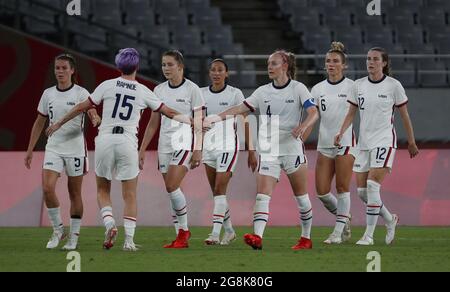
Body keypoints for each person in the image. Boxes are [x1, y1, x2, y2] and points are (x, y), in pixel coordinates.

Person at [46, 48, 187, 251]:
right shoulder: (142, 90)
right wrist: (191, 121)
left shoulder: (107, 85)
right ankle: (129, 241)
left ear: (118, 65)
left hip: (105, 139)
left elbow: (81, 107)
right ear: (137, 66)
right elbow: (168, 112)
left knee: (103, 189)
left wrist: (58, 123)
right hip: (128, 142)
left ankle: (110, 223)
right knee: (129, 194)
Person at [204, 50, 319, 250]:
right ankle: (257, 237)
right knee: (262, 195)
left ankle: (306, 238)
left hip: (292, 148)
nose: (269, 67)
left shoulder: (298, 88)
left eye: (273, 63)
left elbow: (314, 112)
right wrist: (216, 117)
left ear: (284, 65)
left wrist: (304, 125)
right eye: (268, 63)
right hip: (268, 149)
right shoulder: (262, 92)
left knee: (301, 197)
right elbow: (239, 108)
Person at [335, 47, 419, 246]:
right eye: (368, 59)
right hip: (364, 144)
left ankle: (369, 236)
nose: (370, 62)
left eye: (375, 59)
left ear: (384, 63)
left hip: (384, 141)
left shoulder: (393, 86)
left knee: (373, 187)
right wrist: (341, 132)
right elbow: (351, 114)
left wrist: (412, 141)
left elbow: (404, 115)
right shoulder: (358, 85)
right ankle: (390, 219)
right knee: (363, 193)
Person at [25, 53, 101, 250]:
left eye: (64, 68)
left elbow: (92, 111)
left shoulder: (81, 93)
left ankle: (73, 237)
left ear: (72, 70)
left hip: (75, 149)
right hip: (54, 148)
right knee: (48, 188)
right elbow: (40, 120)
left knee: (74, 193)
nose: (60, 71)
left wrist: (94, 118)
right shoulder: (48, 94)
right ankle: (58, 229)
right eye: (57, 68)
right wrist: (30, 148)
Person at [139, 50, 204, 249]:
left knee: (171, 185)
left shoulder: (193, 90)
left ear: (180, 67)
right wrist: (142, 149)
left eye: (169, 64)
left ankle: (184, 231)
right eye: (163, 65)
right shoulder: (158, 90)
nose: (166, 68)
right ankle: (180, 236)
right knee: (172, 190)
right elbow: (153, 123)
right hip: (164, 144)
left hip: (184, 141)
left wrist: (198, 148)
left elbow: (199, 121)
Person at [201, 59, 258, 246]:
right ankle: (230, 231)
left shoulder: (235, 94)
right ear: (209, 73)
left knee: (219, 189)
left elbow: (246, 121)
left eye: (220, 70)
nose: (216, 73)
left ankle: (215, 234)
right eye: (213, 70)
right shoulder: (201, 94)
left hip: (228, 147)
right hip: (208, 148)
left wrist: (251, 150)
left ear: (226, 74)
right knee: (217, 193)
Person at [311, 42, 356, 244]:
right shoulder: (318, 88)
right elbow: (313, 116)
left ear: (344, 65)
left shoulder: (353, 87)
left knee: (342, 187)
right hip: (324, 142)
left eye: (336, 61)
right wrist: (303, 132)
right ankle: (344, 217)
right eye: (328, 61)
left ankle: (338, 233)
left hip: (345, 142)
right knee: (321, 191)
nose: (331, 64)